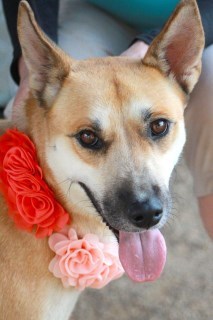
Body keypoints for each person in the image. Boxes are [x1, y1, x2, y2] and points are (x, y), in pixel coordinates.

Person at [2, 0, 213, 238]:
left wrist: (147, 44)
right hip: (99, 11)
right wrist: (31, 74)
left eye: (157, 127)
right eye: (90, 138)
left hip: (199, 24)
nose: (141, 199)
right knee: (25, 120)